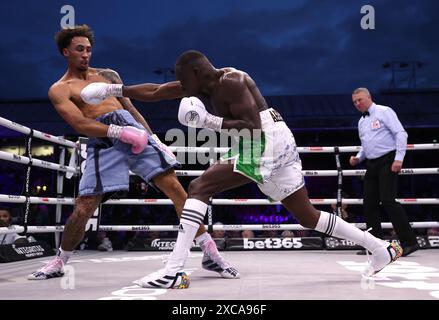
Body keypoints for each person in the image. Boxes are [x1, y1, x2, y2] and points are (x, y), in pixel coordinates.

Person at [113, 50, 403, 289]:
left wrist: (208, 122)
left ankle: (174, 270)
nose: (180, 86)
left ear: (197, 74)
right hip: (272, 139)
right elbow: (156, 92)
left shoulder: (233, 82)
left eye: (183, 80)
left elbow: (252, 129)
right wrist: (115, 89)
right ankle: (381, 248)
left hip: (264, 138)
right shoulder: (200, 84)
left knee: (199, 187)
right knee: (306, 216)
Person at [28, 26, 238, 280]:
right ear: (66, 52)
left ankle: (210, 252)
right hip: (103, 138)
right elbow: (80, 124)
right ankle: (60, 261)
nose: (86, 55)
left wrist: (153, 138)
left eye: (89, 50)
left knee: (175, 188)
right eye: (79, 50)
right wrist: (119, 133)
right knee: (84, 205)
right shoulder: (60, 89)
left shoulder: (107, 75)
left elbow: (130, 107)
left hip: (132, 128)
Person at [349, 87, 419, 257]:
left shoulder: (384, 111)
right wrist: (358, 158)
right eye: (355, 102)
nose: (357, 104)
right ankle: (376, 245)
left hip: (388, 160)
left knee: (388, 200)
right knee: (369, 204)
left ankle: (410, 242)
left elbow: (401, 133)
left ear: (369, 97)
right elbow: (367, 146)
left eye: (360, 100)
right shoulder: (361, 122)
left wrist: (399, 158)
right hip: (372, 164)